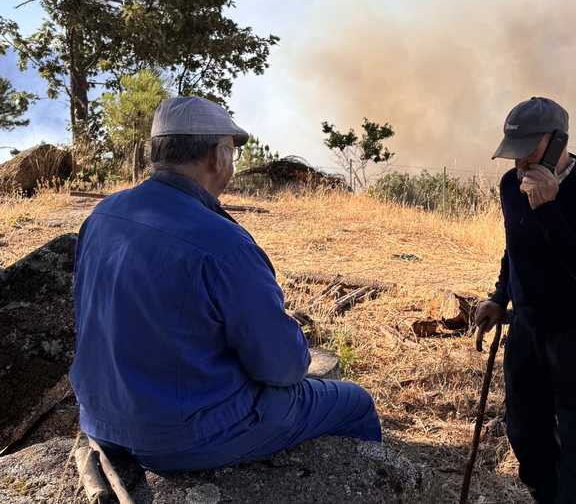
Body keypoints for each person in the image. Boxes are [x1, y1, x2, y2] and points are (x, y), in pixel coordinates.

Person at [70, 97, 381, 472]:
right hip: (185, 437)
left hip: (101, 423)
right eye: (232, 152)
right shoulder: (224, 244)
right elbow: (282, 368)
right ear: (217, 157)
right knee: (356, 403)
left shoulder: (103, 214)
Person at [474, 97, 576, 504]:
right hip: (529, 328)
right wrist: (500, 296)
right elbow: (515, 247)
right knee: (525, 435)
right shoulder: (511, 185)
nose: (520, 162)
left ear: (558, 141)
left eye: (529, 151)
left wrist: (549, 207)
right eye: (514, 152)